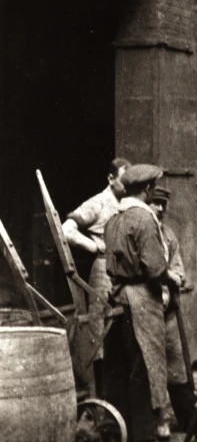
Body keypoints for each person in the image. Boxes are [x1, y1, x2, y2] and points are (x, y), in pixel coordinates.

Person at [104, 164, 188, 442]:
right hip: (140, 299)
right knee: (144, 367)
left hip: (116, 297)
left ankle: (117, 433)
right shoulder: (144, 219)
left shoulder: (114, 218)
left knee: (119, 367)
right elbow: (154, 267)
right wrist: (172, 280)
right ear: (149, 189)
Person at [149, 185, 197, 442]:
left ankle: (190, 419)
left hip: (167, 311)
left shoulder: (168, 235)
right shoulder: (142, 232)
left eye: (163, 204)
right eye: (156, 202)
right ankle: (157, 421)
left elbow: (178, 269)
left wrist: (174, 280)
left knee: (178, 364)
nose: (160, 208)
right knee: (151, 369)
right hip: (146, 310)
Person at [62, 157, 131, 392]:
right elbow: (66, 230)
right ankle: (97, 392)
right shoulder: (98, 203)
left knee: (120, 330)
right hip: (103, 271)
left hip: (123, 272)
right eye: (123, 181)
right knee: (97, 330)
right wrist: (94, 247)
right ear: (110, 179)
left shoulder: (127, 202)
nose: (127, 185)